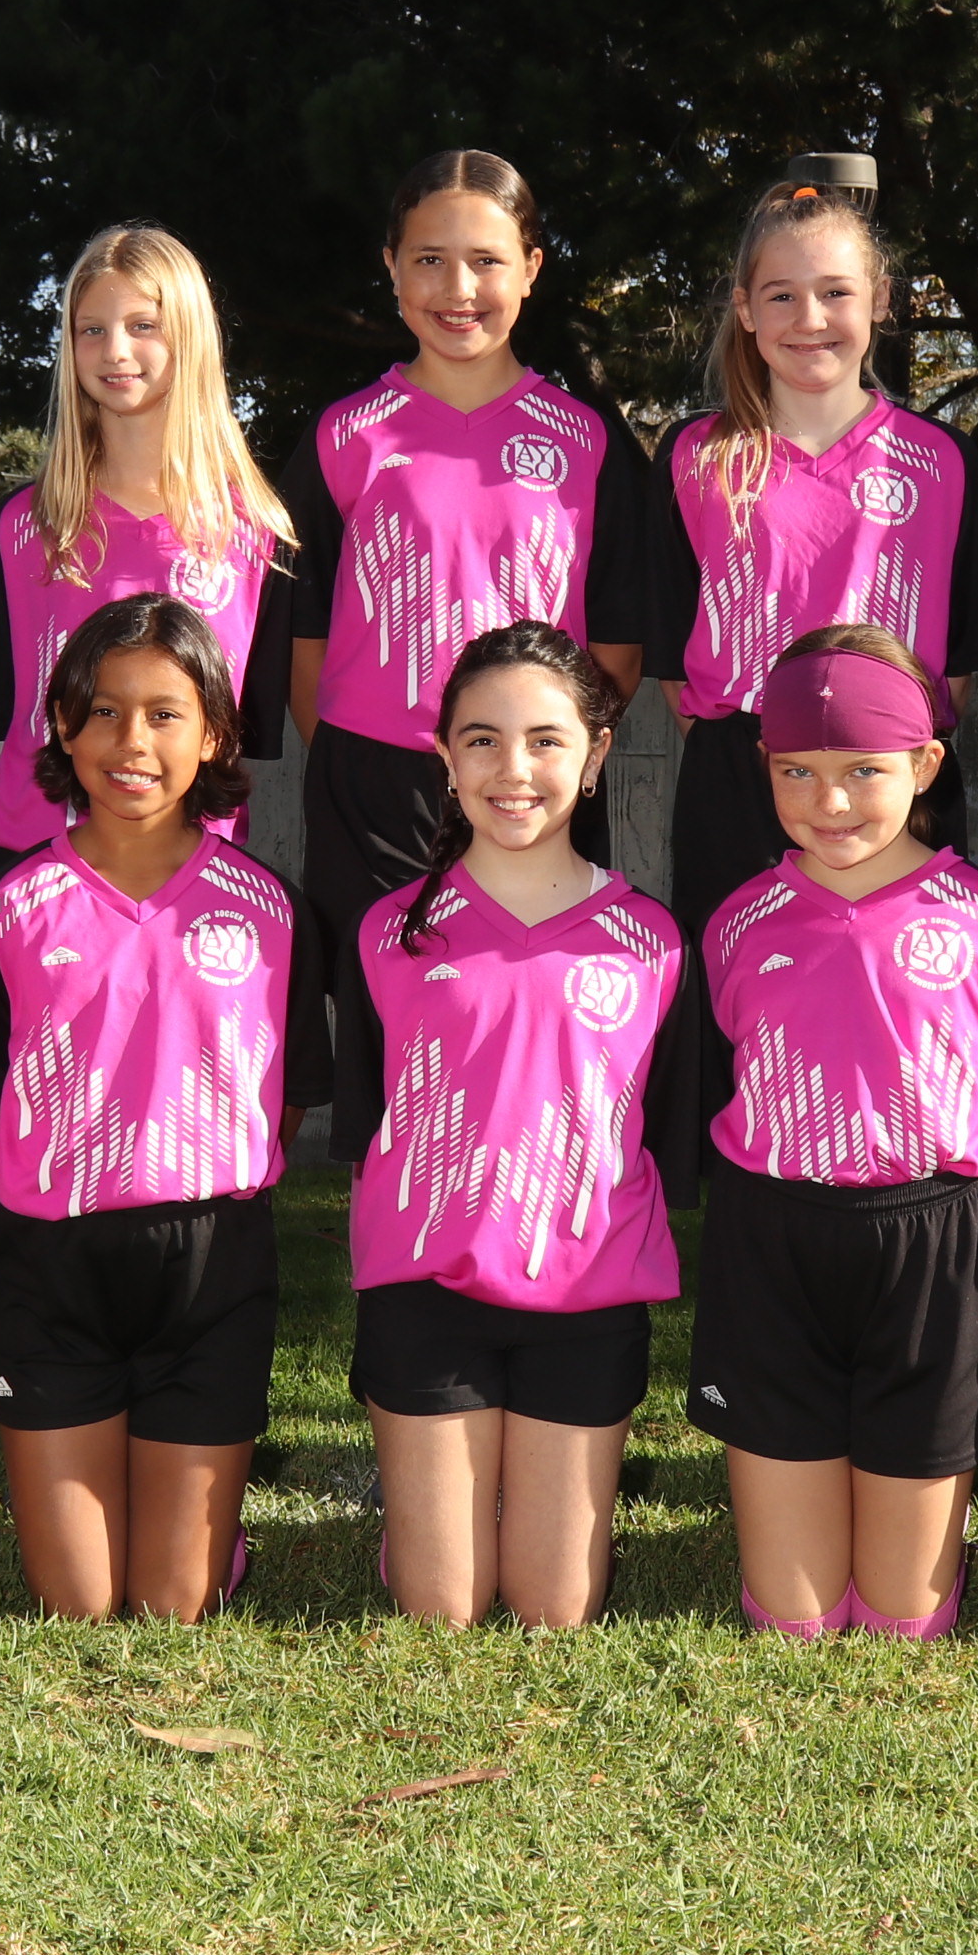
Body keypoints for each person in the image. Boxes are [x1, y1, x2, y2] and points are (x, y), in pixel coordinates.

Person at [0, 595, 331, 1621]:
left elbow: (283, 1100)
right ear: (62, 726)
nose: (131, 741)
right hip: (50, 1268)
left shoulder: (271, 910)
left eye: (164, 713)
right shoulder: (5, 909)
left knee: (172, 1605)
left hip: (212, 1264)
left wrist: (186, 1163)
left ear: (217, 734)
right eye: (102, 711)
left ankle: (203, 1529)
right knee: (79, 1602)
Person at [680, 626, 978, 1639]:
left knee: (902, 1616)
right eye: (797, 771)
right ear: (763, 764)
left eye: (863, 770)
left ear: (925, 764)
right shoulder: (735, 924)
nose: (830, 800)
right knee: (796, 1619)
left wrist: (958, 1246)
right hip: (772, 1252)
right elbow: (717, 1096)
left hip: (933, 1255)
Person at [331, 623, 687, 1630]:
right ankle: (424, 1512)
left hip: (584, 1299)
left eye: (545, 739)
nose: (513, 769)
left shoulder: (652, 941)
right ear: (444, 758)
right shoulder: (389, 932)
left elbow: (656, 1135)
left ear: (596, 754)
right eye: (481, 740)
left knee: (553, 1608)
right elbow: (366, 1124)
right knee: (442, 1607)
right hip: (427, 1297)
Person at [288, 151, 652, 1074]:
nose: (459, 289)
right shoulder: (342, 435)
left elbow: (616, 650)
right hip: (375, 790)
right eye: (429, 259)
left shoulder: (587, 440)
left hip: (530, 784)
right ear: (391, 267)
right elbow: (305, 638)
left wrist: (540, 755)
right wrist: (367, 756)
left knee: (527, 1042)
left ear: (531, 268)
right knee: (386, 1051)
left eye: (487, 260)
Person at [650, 181, 978, 941]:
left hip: (893, 773)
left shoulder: (942, 460)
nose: (809, 318)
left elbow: (962, 659)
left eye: (835, 292)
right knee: (734, 991)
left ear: (880, 300)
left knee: (898, 986)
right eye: (781, 295)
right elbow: (674, 654)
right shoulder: (695, 455)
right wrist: (766, 754)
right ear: (745, 309)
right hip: (740, 777)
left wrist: (882, 750)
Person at [0, 224, 298, 875]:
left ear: (189, 337)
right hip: (37, 858)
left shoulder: (257, 534)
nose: (115, 350)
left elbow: (246, 733)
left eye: (143, 325)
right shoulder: (25, 525)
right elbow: (10, 717)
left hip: (192, 863)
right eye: (91, 329)